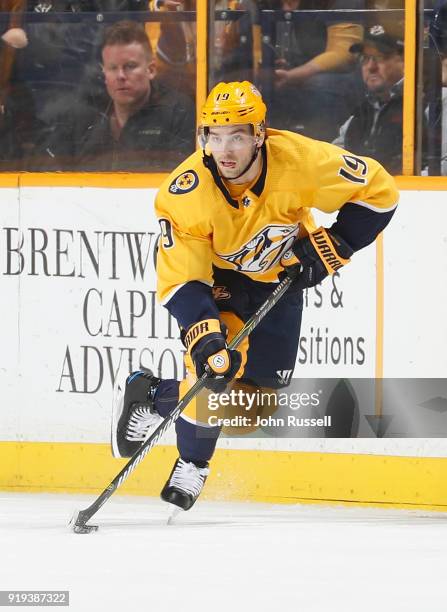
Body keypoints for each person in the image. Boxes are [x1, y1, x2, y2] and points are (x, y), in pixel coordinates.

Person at [111, 80, 398, 512]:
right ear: (203, 137)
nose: (225, 149)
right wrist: (205, 336)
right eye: (214, 136)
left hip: (280, 277)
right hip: (217, 281)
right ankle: (193, 463)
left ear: (260, 135)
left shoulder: (302, 161)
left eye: (238, 137)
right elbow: (181, 279)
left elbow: (380, 193)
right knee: (216, 369)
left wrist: (334, 245)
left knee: (253, 409)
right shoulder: (185, 194)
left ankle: (153, 395)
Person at [42, 20, 195, 171]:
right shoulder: (83, 113)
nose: (120, 76)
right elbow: (50, 168)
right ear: (104, 72)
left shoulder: (177, 112)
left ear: (151, 69)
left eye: (130, 66)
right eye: (113, 68)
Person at [269, 0, 365, 141]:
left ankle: (320, 147)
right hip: (291, 75)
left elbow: (345, 53)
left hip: (337, 79)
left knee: (320, 84)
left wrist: (293, 75)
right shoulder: (264, 4)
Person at [332, 24, 407, 174]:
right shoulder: (364, 109)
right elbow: (333, 158)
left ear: (405, 61)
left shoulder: (430, 102)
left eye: (380, 57)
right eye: (365, 59)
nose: (371, 67)